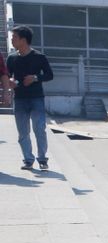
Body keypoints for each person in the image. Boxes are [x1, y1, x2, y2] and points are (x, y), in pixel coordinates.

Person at [7, 26, 54, 171]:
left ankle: (42, 159)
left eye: (14, 37)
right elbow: (7, 75)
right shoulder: (12, 58)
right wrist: (10, 83)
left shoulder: (39, 57)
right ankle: (28, 160)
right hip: (19, 99)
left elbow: (49, 75)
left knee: (39, 128)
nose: (12, 39)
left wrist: (35, 78)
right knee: (23, 132)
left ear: (23, 40)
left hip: (36, 98)